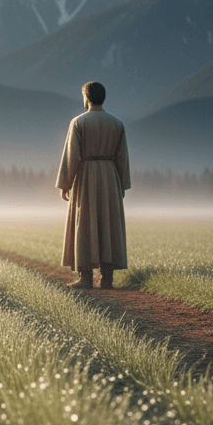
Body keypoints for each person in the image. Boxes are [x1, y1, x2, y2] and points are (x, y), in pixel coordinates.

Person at [56, 81, 130, 289]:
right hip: (110, 177)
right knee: (108, 224)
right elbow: (122, 157)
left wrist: (65, 184)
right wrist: (122, 184)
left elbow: (71, 156)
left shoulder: (78, 122)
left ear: (86, 98)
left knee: (85, 224)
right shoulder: (117, 123)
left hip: (86, 176)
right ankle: (107, 279)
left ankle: (86, 277)